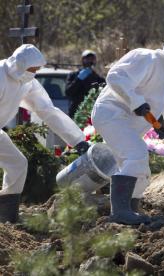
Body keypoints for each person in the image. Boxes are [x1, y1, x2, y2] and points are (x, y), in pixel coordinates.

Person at [91, 32, 164, 225]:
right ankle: (120, 212)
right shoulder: (147, 58)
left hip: (132, 126)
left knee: (141, 170)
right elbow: (116, 76)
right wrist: (136, 101)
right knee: (136, 154)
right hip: (112, 114)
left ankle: (130, 211)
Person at [0, 44, 90, 223]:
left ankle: (6, 216)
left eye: (36, 69)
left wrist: (78, 140)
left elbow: (48, 110)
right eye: (31, 69)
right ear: (20, 64)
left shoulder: (27, 83)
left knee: (17, 164)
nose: (33, 72)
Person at [65, 50, 105, 118]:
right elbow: (68, 92)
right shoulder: (73, 75)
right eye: (87, 59)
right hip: (75, 112)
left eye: (92, 59)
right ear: (82, 60)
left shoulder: (99, 79)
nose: (90, 61)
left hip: (91, 114)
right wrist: (78, 79)